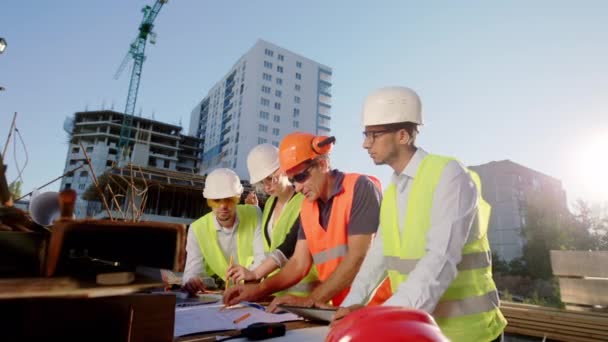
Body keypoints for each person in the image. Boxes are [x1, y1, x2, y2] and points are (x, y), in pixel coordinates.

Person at [334, 86, 507, 342]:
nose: (365, 144)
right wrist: (350, 306)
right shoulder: (393, 189)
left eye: (373, 135)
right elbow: (378, 257)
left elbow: (440, 260)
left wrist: (386, 319)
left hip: (468, 335)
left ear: (403, 135)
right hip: (417, 332)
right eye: (365, 134)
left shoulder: (449, 175)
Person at [223, 132, 388, 310]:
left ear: (322, 164)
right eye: (293, 181)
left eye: (301, 177)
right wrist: (257, 290)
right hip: (343, 310)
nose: (298, 187)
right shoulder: (308, 207)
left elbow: (358, 258)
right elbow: (298, 264)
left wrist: (311, 299)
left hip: (380, 307)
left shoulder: (360, 188)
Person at [226, 143, 319, 296]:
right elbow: (270, 248)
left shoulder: (305, 199)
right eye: (262, 182)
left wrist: (256, 273)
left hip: (306, 293)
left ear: (283, 170)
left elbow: (288, 246)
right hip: (277, 291)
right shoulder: (269, 203)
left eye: (270, 178)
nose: (267, 186)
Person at [182, 168, 265, 295]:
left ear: (237, 198)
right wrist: (191, 282)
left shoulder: (254, 214)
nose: (223, 206)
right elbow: (192, 271)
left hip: (254, 288)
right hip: (220, 293)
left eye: (228, 199)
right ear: (209, 201)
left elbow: (262, 257)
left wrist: (251, 278)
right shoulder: (197, 229)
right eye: (216, 201)